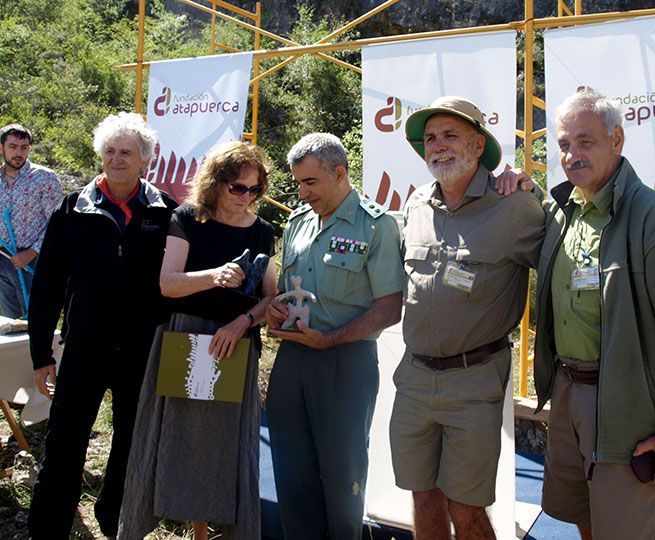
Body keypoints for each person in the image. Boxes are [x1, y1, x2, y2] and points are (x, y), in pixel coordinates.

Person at [533, 88, 655, 539]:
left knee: (628, 531)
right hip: (568, 394)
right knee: (585, 517)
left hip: (626, 409)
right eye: (563, 144)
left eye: (585, 141)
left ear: (617, 140)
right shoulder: (562, 213)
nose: (572, 154)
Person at [389, 95, 545, 540]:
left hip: (474, 378)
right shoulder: (417, 202)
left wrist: (529, 186)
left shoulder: (514, 206)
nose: (437, 145)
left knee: (467, 506)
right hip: (414, 376)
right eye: (430, 138)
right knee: (422, 495)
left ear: (478, 146)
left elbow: (561, 268)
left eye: (450, 135)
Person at [27, 112, 177, 538]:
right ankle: (47, 529)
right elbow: (47, 286)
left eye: (127, 151)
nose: (117, 159)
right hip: (84, 349)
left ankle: (118, 524)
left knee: (130, 444)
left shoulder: (167, 212)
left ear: (145, 158)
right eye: (110, 151)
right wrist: (42, 354)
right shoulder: (73, 208)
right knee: (63, 445)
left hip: (142, 351)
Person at [118, 140, 277, 540]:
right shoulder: (187, 218)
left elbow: (270, 298)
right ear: (215, 182)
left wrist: (242, 323)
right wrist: (214, 275)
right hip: (185, 339)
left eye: (254, 189)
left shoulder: (263, 232)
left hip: (234, 344)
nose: (245, 197)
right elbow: (168, 284)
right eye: (237, 187)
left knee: (224, 443)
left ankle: (217, 530)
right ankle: (182, 526)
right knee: (177, 437)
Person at [265, 132, 404, 540]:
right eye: (298, 184)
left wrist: (329, 340)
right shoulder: (297, 222)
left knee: (344, 476)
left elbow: (388, 308)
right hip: (293, 358)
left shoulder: (376, 226)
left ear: (339, 173)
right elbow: (289, 287)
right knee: (292, 469)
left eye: (311, 183)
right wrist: (277, 308)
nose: (303, 193)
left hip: (346, 361)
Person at [0, 123, 62, 319]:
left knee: (37, 320)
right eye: (13, 147)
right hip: (3, 261)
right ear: (1, 148)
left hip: (34, 262)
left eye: (24, 147)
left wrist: (32, 251)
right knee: (11, 323)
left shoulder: (44, 178)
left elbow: (57, 223)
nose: (19, 153)